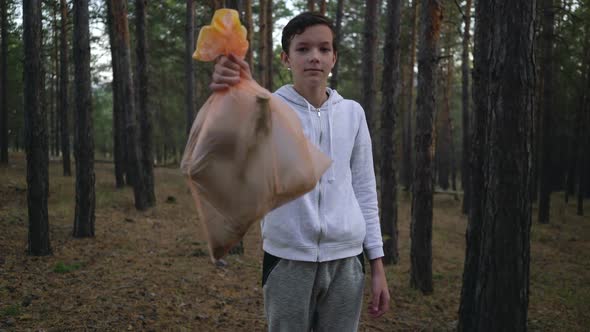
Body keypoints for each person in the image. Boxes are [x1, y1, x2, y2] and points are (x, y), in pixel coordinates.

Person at [210, 11, 390, 331]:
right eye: (303, 49)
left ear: (334, 57)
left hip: (347, 262)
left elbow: (364, 188)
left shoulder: (353, 114)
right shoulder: (268, 109)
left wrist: (376, 264)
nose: (314, 58)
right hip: (288, 260)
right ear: (286, 58)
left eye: (323, 49)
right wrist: (240, 90)